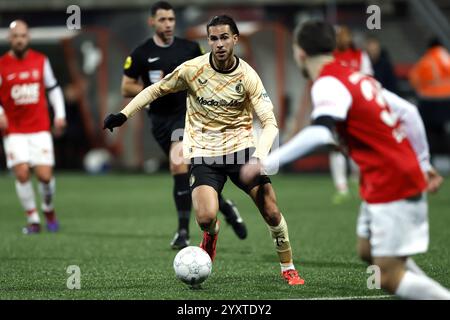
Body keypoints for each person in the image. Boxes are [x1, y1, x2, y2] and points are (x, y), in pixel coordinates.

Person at [241, 20, 450, 299]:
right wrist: (424, 163)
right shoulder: (354, 76)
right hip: (386, 176)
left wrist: (265, 161)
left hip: (393, 179)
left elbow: (319, 132)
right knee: (368, 251)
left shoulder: (326, 83)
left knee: (387, 276)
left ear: (300, 52)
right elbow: (409, 113)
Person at [105, 15, 305, 285]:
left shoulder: (247, 76)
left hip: (242, 151)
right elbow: (155, 90)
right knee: (206, 216)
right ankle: (210, 235)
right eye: (213, 38)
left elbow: (270, 123)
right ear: (208, 41)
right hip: (203, 153)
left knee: (270, 209)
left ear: (235, 39)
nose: (219, 43)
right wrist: (123, 114)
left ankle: (288, 267)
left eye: (224, 37)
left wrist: (258, 156)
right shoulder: (192, 69)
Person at [121, 1, 247, 250]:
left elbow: (206, 74)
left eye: (171, 19)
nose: (168, 24)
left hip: (187, 117)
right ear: (152, 22)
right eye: (162, 20)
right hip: (159, 122)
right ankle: (226, 208)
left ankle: (182, 232)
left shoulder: (190, 48)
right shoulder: (140, 53)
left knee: (179, 164)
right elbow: (126, 87)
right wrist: (159, 91)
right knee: (190, 174)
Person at [0, 20, 66, 234]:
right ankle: (33, 219)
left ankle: (48, 209)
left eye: (23, 35)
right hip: (14, 130)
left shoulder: (40, 61)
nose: (20, 39)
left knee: (45, 176)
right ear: (10, 39)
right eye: (16, 36)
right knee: (21, 173)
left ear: (28, 37)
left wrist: (60, 115)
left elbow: (54, 89)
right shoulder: (2, 64)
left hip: (39, 128)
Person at [409, 37, 450, 157]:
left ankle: (430, 159)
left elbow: (414, 80)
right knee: (443, 131)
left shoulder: (426, 60)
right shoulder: (447, 57)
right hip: (448, 101)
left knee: (427, 132)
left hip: (430, 102)